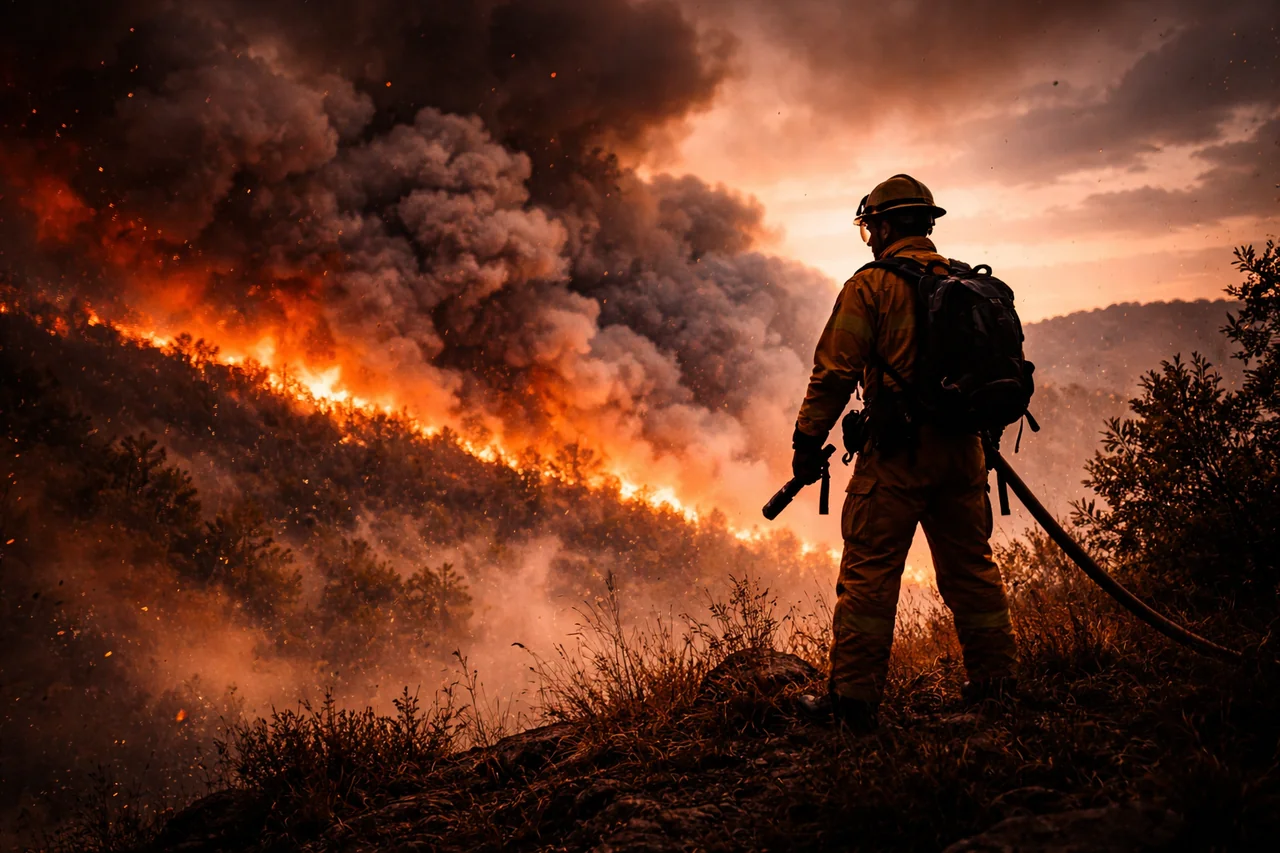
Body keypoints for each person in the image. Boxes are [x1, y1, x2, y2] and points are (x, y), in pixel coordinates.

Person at [793, 174, 1018, 732]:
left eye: (873, 225)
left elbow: (835, 372)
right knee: (971, 568)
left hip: (898, 457)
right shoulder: (963, 281)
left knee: (870, 573)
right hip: (965, 452)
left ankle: (853, 702)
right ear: (928, 224)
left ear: (885, 225)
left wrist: (806, 441)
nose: (871, 235)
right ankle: (996, 684)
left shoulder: (870, 286)